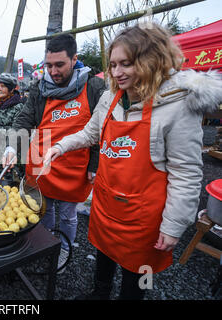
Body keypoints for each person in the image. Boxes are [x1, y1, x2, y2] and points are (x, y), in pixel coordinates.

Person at [43, 23, 222, 299]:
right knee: (103, 254)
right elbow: (90, 133)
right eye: (113, 64)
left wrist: (174, 225)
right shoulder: (111, 98)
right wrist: (60, 146)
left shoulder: (176, 106)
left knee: (139, 273)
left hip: (143, 216)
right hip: (105, 203)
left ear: (150, 60)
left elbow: (186, 173)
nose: (116, 72)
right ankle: (99, 293)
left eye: (125, 64)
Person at [2, 34, 106, 272]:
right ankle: (46, 244)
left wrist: (94, 163)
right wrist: (11, 146)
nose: (54, 71)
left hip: (74, 160)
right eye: (49, 65)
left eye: (60, 64)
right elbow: (25, 118)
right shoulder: (40, 87)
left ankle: (66, 247)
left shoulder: (93, 87)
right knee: (43, 208)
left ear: (74, 59)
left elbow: (103, 128)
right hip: (41, 156)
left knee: (69, 214)